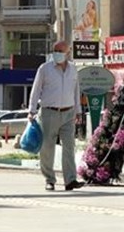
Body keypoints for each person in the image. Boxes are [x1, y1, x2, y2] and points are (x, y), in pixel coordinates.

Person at [28, 41, 84, 191]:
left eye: (60, 50)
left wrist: (79, 111)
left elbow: (76, 91)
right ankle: (49, 179)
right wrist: (32, 110)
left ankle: (70, 180)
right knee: (47, 147)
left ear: (68, 52)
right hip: (49, 112)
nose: (57, 53)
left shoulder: (73, 69)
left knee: (69, 147)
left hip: (68, 112)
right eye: (55, 50)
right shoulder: (45, 69)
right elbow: (36, 90)